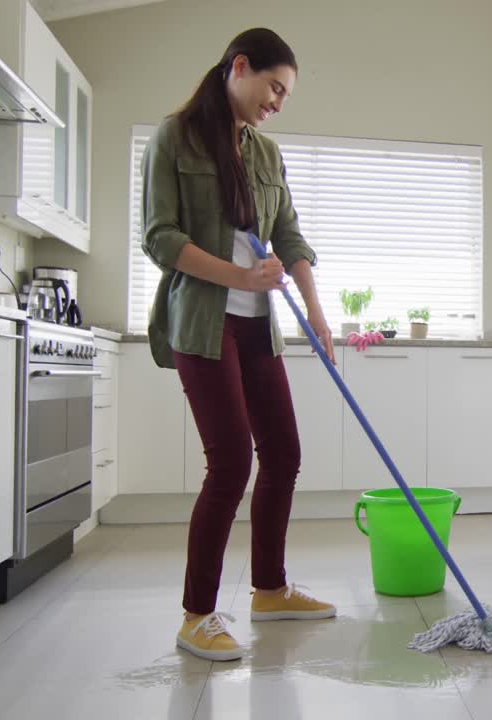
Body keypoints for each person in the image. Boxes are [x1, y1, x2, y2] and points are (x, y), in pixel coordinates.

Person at [140, 27, 338, 662]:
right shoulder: (174, 137)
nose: (277, 102)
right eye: (274, 87)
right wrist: (239, 277)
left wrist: (315, 310)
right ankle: (197, 614)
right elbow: (160, 237)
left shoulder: (267, 154)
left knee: (283, 454)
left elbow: (290, 235)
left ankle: (270, 590)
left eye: (285, 95)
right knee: (230, 463)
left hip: (257, 326)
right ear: (240, 67)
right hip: (202, 323)